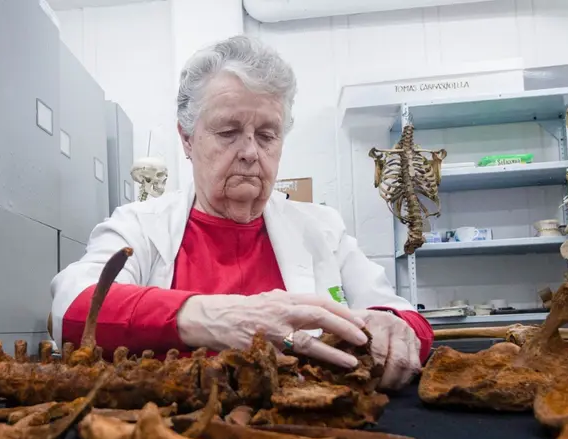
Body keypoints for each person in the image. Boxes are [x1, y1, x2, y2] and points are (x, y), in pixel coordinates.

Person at [50, 35, 432, 391]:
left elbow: (405, 316)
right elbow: (71, 306)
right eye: (228, 131)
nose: (251, 151)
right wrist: (215, 318)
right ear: (187, 138)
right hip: (168, 437)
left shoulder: (321, 228)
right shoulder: (138, 226)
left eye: (267, 135)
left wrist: (392, 327)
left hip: (303, 431)